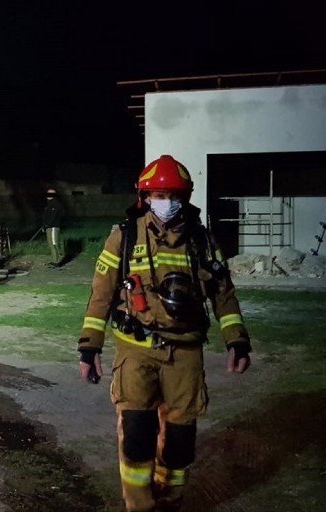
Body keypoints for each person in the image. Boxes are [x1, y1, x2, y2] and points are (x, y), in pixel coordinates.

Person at [76, 155, 251, 512]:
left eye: (172, 194)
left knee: (180, 442)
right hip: (135, 351)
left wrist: (237, 340)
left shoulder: (202, 243)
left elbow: (224, 296)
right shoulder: (123, 239)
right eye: (158, 194)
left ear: (184, 197)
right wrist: (89, 348)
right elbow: (101, 296)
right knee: (137, 435)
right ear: (144, 197)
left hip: (185, 354)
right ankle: (139, 505)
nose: (165, 202)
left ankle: (170, 500)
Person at [42, 188, 65, 268]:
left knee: (54, 243)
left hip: (53, 227)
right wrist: (44, 225)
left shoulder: (55, 204)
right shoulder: (50, 204)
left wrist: (47, 225)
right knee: (51, 244)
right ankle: (54, 260)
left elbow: (53, 216)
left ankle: (57, 262)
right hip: (49, 227)